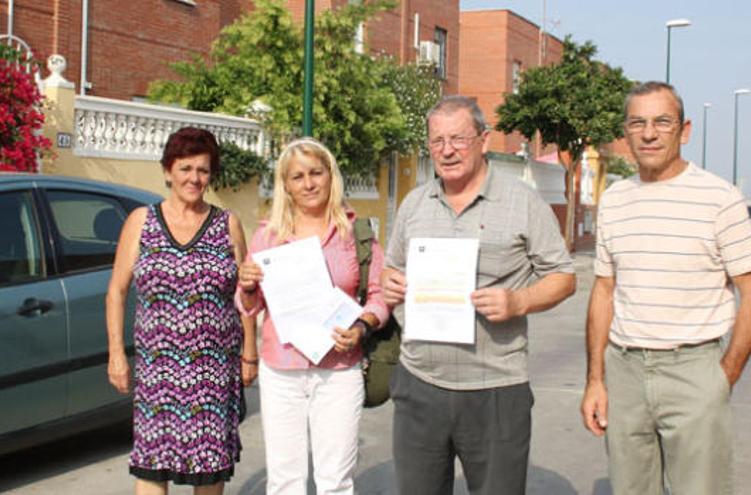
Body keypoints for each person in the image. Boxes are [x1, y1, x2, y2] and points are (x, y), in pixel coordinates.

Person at [580, 81, 751, 495]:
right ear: (626, 133)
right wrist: (596, 379)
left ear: (684, 131)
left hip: (694, 370)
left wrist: (724, 377)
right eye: (638, 123)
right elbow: (604, 291)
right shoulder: (614, 201)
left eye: (662, 122)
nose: (649, 133)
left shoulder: (720, 199)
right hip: (625, 372)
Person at [381, 95, 576, 495]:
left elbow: (563, 276)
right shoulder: (415, 203)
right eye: (437, 141)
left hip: (495, 390)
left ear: (484, 140)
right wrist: (389, 281)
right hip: (420, 385)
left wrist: (518, 301)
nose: (447, 150)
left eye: (458, 138)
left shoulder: (522, 202)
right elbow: (391, 268)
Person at [235, 137, 389, 495]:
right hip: (282, 371)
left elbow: (380, 296)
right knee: (284, 480)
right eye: (297, 177)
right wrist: (246, 285)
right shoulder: (268, 236)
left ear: (330, 176)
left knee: (335, 480)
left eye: (316, 173)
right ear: (285, 186)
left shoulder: (356, 233)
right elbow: (249, 306)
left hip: (339, 370)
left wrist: (362, 327)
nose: (308, 184)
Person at [106, 127, 254, 495]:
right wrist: (116, 355)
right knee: (153, 467)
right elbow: (116, 292)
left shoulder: (228, 225)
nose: (194, 178)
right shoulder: (142, 222)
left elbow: (247, 294)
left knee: (209, 469)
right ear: (169, 170)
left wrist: (250, 352)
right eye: (186, 168)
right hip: (159, 372)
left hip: (213, 371)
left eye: (203, 170)